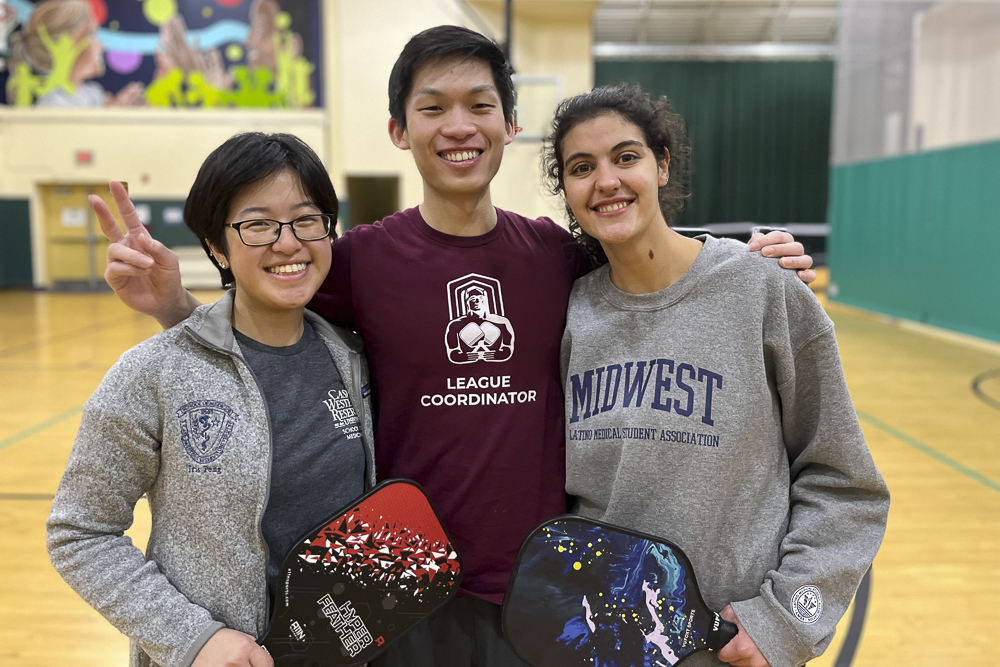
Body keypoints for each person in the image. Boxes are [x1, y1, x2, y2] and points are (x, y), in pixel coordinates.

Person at [91, 26, 815, 665]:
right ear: (399, 131)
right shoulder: (361, 260)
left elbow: (651, 268)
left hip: (544, 588)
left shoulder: (557, 255)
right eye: (433, 107)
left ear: (511, 123)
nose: (458, 125)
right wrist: (176, 304)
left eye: (479, 105)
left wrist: (735, 263)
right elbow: (268, 306)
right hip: (402, 595)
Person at [549, 84, 890, 667]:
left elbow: (845, 486)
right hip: (601, 645)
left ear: (662, 164)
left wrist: (785, 621)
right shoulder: (569, 310)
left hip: (728, 648)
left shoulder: (761, 289)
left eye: (626, 157)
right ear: (566, 189)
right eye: (582, 167)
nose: (606, 180)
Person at [47, 133, 375, 667]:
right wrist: (193, 637)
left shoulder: (356, 357)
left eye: (306, 219)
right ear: (217, 247)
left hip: (341, 650)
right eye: (258, 224)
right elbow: (80, 531)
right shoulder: (151, 374)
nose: (288, 242)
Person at [6, 0, 144, 106]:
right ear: (65, 45)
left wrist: (118, 107)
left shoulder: (93, 93)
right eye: (91, 34)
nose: (100, 44)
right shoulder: (55, 104)